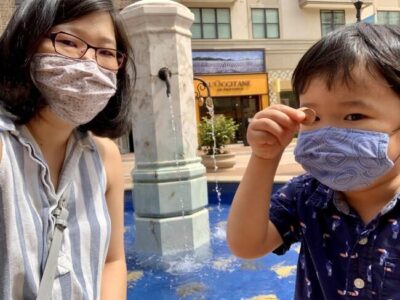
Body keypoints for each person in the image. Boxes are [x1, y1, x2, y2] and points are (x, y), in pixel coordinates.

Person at [227, 23, 400, 299]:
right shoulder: (308, 195)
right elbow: (247, 245)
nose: (327, 133)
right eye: (312, 117)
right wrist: (263, 158)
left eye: (354, 116)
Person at [0, 0, 135, 298]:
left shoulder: (105, 156)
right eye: (68, 42)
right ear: (26, 42)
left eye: (107, 52)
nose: (89, 63)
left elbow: (112, 260)